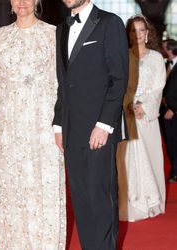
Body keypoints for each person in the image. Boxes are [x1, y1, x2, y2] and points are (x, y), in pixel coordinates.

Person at [0, 0, 66, 249]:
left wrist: (59, 124)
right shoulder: (2, 35)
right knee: (11, 185)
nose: (22, 3)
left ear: (37, 0)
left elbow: (61, 83)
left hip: (42, 122)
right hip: (9, 123)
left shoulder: (52, 33)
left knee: (42, 185)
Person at [53, 0, 129, 248]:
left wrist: (105, 124)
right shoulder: (61, 28)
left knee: (100, 198)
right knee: (82, 200)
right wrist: (58, 125)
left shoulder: (110, 23)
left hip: (99, 129)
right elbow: (63, 83)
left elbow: (119, 79)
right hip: (71, 128)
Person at [117, 15, 166, 222]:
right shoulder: (123, 56)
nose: (137, 34)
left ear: (147, 33)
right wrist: (128, 104)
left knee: (150, 156)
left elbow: (158, 87)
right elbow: (118, 85)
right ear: (128, 34)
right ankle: (129, 200)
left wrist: (143, 106)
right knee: (127, 161)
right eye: (133, 31)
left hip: (147, 118)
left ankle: (152, 200)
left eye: (141, 30)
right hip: (126, 115)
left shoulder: (156, 58)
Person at [163, 39, 177, 183]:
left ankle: (175, 172)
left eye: (164, 48)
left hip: (174, 111)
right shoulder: (166, 64)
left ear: (170, 49)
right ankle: (174, 170)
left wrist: (173, 109)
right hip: (164, 110)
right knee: (170, 143)